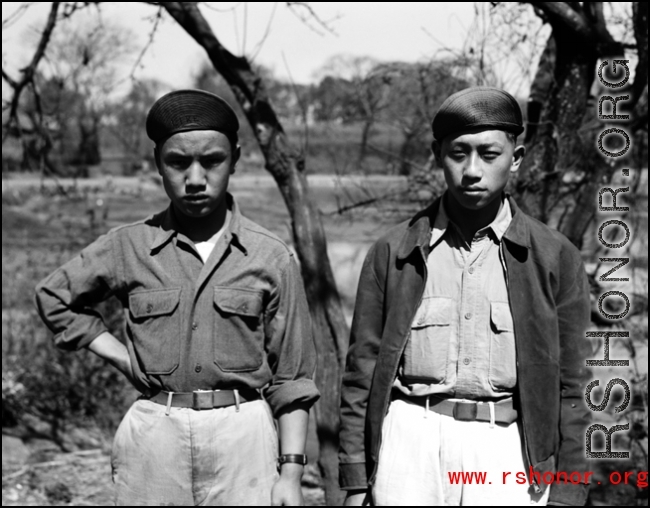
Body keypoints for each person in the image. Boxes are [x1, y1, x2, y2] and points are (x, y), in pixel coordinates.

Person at [35, 89, 319, 506]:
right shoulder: (128, 245)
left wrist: (291, 473)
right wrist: (120, 356)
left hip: (244, 435)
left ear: (235, 159)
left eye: (212, 160)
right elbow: (54, 296)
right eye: (179, 162)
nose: (196, 178)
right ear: (158, 165)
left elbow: (292, 379)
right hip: (155, 433)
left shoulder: (270, 255)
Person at [339, 86, 592, 506]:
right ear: (437, 154)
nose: (472, 170)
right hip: (409, 448)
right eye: (459, 153)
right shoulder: (394, 252)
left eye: (489, 154)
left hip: (508, 451)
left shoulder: (555, 257)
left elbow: (574, 386)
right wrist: (353, 480)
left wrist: (568, 489)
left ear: (517, 158)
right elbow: (361, 372)